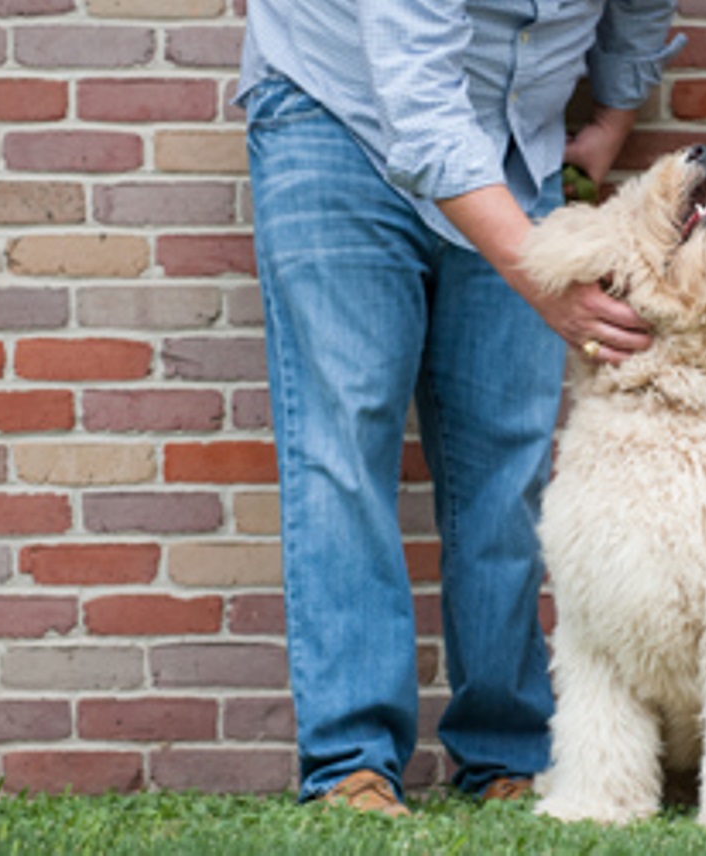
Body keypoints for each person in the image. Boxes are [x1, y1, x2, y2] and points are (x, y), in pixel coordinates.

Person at [236, 1, 681, 814]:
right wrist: (542, 275)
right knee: (347, 435)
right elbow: (415, 95)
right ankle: (351, 762)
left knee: (508, 456)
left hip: (517, 140)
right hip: (339, 110)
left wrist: (613, 115)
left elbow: (641, 6)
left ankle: (506, 752)